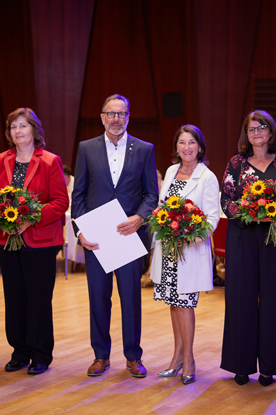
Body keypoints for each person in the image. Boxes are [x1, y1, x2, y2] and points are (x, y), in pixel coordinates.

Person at [71, 94, 158, 378]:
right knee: (98, 298)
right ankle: (100, 356)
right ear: (102, 117)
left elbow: (151, 194)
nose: (116, 119)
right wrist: (80, 231)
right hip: (96, 239)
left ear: (128, 117)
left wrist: (140, 217)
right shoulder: (86, 148)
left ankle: (133, 357)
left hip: (129, 236)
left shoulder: (144, 149)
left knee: (131, 299)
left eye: (121, 114)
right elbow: (79, 194)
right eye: (111, 114)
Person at [0, 108, 69, 375]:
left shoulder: (50, 161)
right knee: (14, 297)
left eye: (23, 126)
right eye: (13, 127)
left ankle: (41, 354)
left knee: (39, 298)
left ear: (34, 129)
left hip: (40, 241)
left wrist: (30, 220)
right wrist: (1, 217)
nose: (18, 131)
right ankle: (19, 352)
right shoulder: (0, 160)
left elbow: (60, 202)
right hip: (7, 239)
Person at [220, 110, 276, 387]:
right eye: (251, 129)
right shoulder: (236, 164)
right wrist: (253, 216)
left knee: (275, 301)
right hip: (243, 238)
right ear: (246, 135)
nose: (256, 132)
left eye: (261, 127)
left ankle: (269, 368)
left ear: (271, 130)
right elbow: (227, 201)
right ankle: (241, 365)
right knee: (241, 301)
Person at [150, 125, 219, 385]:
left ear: (200, 147)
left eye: (191, 142)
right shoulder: (170, 171)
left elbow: (212, 218)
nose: (186, 147)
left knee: (185, 304)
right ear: (176, 147)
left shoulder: (207, 177)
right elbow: (161, 208)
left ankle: (189, 359)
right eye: (182, 142)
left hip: (189, 251)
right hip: (168, 248)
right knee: (173, 303)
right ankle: (177, 357)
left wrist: (192, 237)